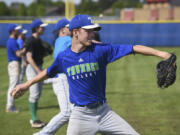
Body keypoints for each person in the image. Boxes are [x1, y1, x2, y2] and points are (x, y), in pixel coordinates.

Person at [11, 14, 173, 135]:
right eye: (88, 31)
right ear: (75, 32)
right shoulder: (64, 57)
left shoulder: (100, 50)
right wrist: (26, 84)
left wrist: (162, 54)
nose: (92, 34)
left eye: (93, 31)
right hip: (80, 116)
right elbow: (48, 72)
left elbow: (133, 48)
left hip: (104, 113)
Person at [35, 18, 71, 135]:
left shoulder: (60, 40)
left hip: (62, 78)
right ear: (62, 30)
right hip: (62, 79)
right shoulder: (66, 39)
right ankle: (43, 134)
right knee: (67, 112)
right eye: (68, 26)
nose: (71, 28)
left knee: (76, 112)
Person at [25, 19, 48, 128]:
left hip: (38, 67)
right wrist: (39, 72)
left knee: (37, 94)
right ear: (36, 28)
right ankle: (33, 119)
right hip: (33, 69)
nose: (43, 28)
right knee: (34, 94)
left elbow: (38, 55)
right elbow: (29, 58)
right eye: (41, 27)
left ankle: (34, 118)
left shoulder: (38, 40)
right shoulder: (31, 40)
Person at [6, 24, 25, 113]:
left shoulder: (11, 40)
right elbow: (18, 54)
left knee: (13, 85)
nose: (18, 31)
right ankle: (10, 106)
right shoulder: (12, 41)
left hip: (14, 64)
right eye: (16, 30)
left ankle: (10, 106)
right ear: (13, 31)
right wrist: (25, 49)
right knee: (13, 86)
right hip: (14, 64)